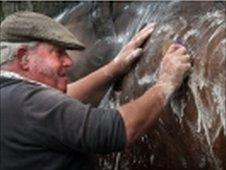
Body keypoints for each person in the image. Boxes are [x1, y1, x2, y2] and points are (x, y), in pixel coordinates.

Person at [0, 11, 191, 170]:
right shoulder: (29, 103)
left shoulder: (10, 96)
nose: (69, 61)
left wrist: (113, 68)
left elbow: (62, 101)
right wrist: (166, 83)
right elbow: (119, 129)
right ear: (24, 58)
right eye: (58, 52)